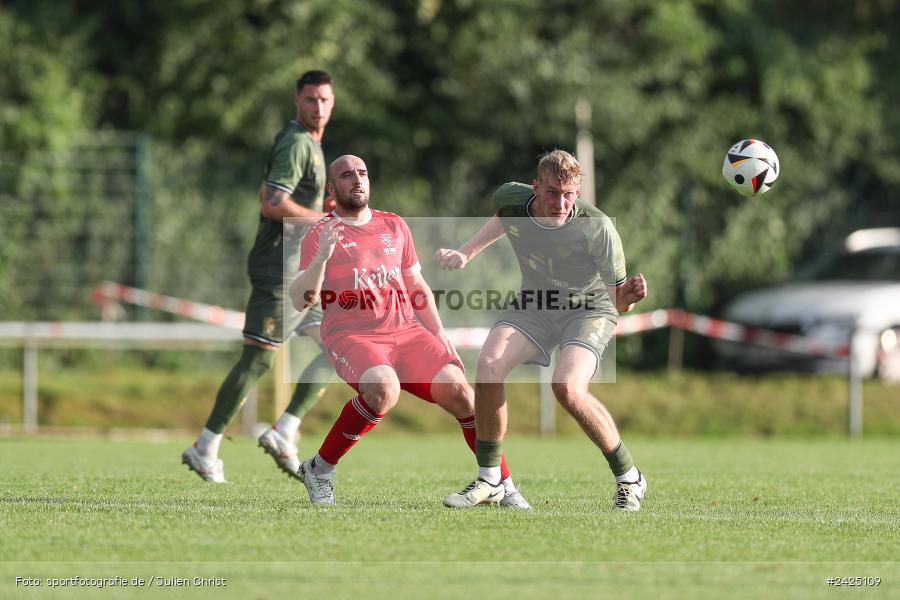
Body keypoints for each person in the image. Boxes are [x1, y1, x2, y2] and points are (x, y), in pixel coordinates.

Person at [288, 155, 529, 508]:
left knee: (464, 396)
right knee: (384, 390)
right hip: (353, 337)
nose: (357, 179)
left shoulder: (394, 225)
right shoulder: (319, 234)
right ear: (332, 187)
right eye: (346, 175)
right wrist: (323, 256)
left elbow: (416, 284)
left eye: (363, 173)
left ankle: (501, 483)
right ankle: (320, 469)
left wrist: (440, 335)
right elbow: (299, 299)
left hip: (407, 333)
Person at [436, 149, 649, 511]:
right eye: (552, 192)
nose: (561, 202)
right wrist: (466, 253)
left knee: (566, 387)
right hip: (536, 303)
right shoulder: (511, 197)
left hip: (588, 310)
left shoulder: (598, 228)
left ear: (578, 192)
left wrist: (629, 297)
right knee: (488, 366)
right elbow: (504, 218)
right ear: (535, 188)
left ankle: (630, 477)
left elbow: (618, 303)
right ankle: (492, 480)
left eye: (569, 194)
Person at [182, 70, 337, 483]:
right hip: (279, 268)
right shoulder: (297, 142)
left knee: (342, 345)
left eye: (324, 99)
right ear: (297, 102)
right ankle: (205, 447)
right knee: (257, 359)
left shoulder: (312, 146)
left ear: (333, 102)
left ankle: (285, 430)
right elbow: (272, 203)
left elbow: (270, 192)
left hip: (302, 271)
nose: (317, 107)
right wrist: (322, 218)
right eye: (310, 100)